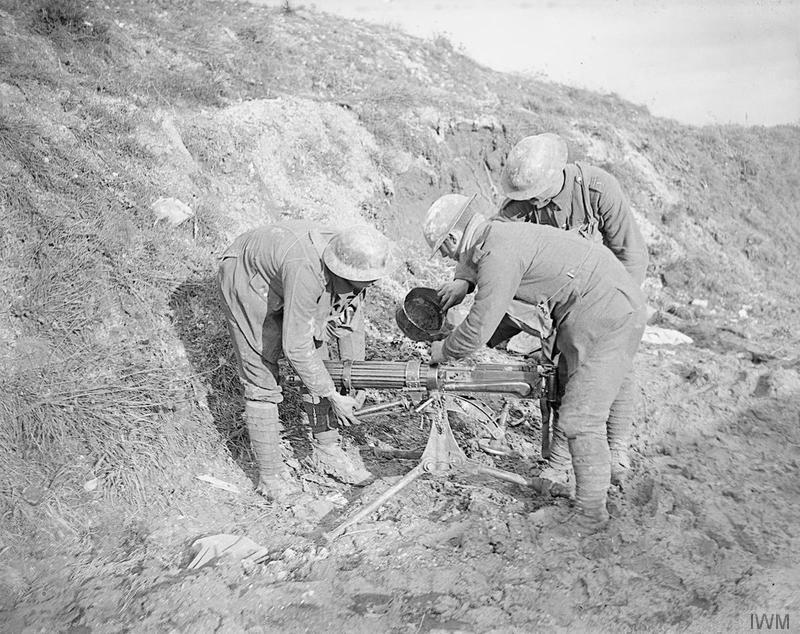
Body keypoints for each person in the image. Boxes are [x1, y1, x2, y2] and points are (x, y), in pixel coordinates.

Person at [437, 133, 648, 490]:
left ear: (556, 177)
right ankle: (558, 462)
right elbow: (488, 239)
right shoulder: (524, 199)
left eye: (536, 195)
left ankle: (618, 450)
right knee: (558, 370)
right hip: (556, 300)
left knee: (610, 368)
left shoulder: (597, 190)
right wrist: (463, 282)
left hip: (603, 293)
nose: (529, 202)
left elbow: (630, 253)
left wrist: (619, 308)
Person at [423, 195, 646, 530]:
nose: (445, 256)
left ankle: (591, 516)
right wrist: (462, 283)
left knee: (580, 420)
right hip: (602, 301)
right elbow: (478, 258)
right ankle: (592, 480)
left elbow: (479, 328)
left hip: (604, 313)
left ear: (454, 239)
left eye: (443, 248)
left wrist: (444, 351)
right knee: (575, 400)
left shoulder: (498, 254)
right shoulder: (496, 233)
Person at [218, 221, 392, 500]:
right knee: (262, 376)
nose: (373, 284)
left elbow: (350, 325)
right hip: (248, 278)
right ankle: (270, 478)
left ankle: (326, 450)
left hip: (287, 270)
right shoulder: (307, 269)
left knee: (320, 364)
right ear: (343, 272)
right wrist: (332, 395)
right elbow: (296, 346)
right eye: (368, 280)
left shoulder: (356, 262)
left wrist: (354, 378)